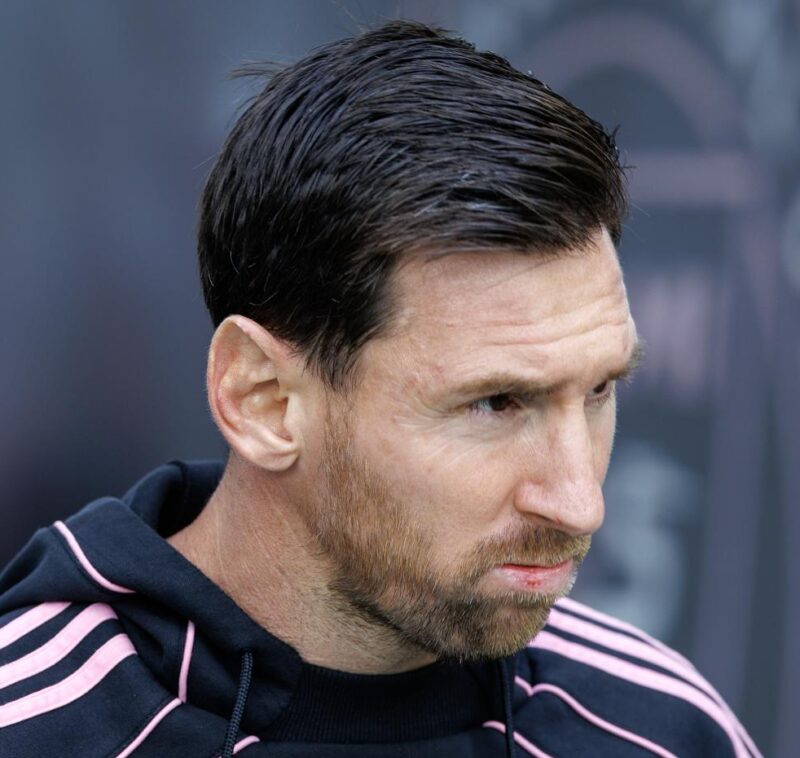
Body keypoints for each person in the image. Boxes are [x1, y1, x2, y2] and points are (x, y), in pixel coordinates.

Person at [0, 19, 759, 758]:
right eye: (495, 403)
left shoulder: (665, 729)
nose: (579, 502)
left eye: (598, 391)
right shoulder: (33, 726)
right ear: (263, 400)